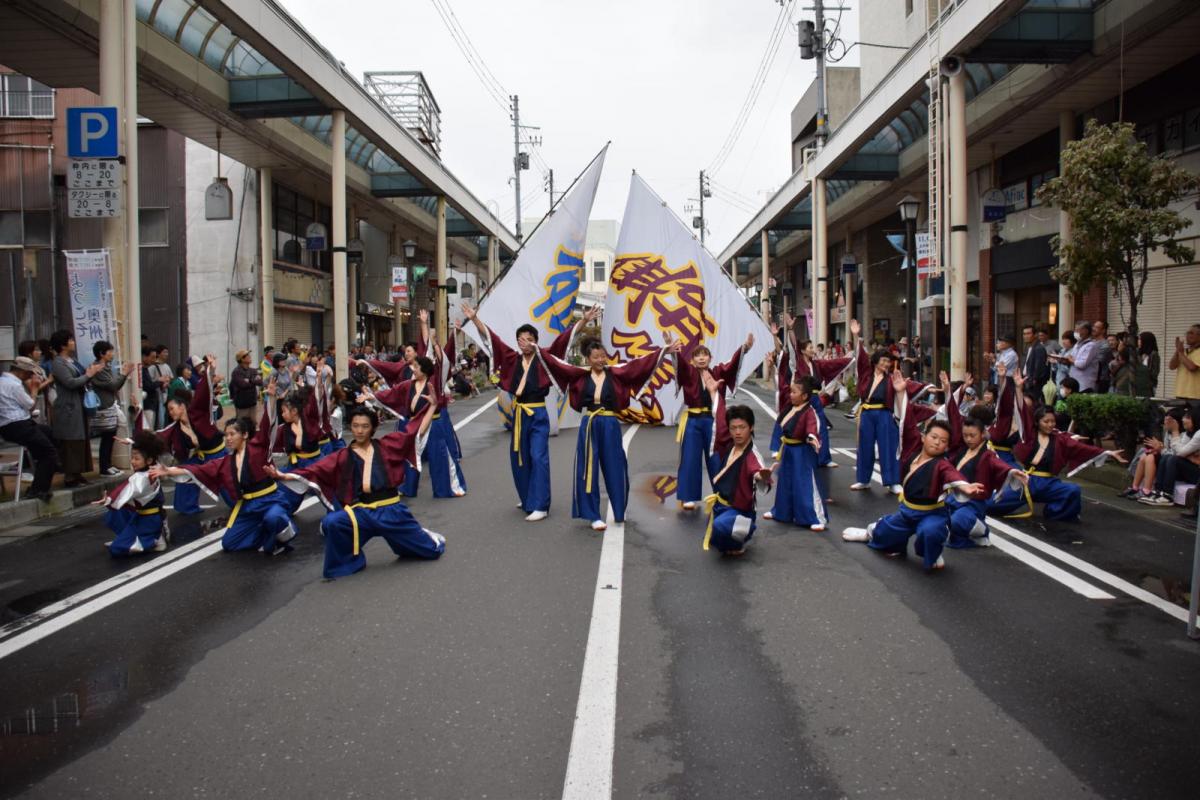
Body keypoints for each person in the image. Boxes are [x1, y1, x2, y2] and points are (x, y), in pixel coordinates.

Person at [270, 405, 445, 579]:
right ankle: (348, 562)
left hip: (391, 511)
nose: (359, 431)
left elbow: (414, 432)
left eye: (365, 426)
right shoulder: (343, 456)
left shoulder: (387, 445)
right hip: (362, 513)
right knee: (333, 522)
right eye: (355, 426)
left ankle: (424, 536)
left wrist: (432, 407)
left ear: (373, 428)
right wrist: (283, 476)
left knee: (430, 550)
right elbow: (315, 470)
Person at [461, 301, 587, 521]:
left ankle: (541, 505)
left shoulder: (545, 358)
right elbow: (493, 339)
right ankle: (528, 496)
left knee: (538, 457)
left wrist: (584, 320)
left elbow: (564, 339)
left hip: (537, 414)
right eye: (521, 339)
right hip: (519, 414)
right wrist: (474, 319)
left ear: (535, 341)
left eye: (529, 339)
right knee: (519, 458)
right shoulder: (512, 359)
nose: (525, 342)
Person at [544, 332, 675, 531]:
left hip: (610, 423)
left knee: (615, 466)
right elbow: (557, 365)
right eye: (596, 357)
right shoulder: (580, 374)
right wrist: (537, 350)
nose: (600, 360)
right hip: (590, 424)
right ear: (588, 359)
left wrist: (664, 350)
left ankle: (619, 511)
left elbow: (639, 364)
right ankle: (593, 515)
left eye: (603, 356)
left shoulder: (615, 372)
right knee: (588, 469)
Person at [842, 412, 985, 572]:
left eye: (943, 441)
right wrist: (902, 397)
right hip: (907, 511)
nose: (937, 442)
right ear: (924, 437)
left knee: (931, 532)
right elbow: (907, 423)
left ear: (946, 447)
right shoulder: (912, 454)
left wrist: (965, 486)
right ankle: (871, 532)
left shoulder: (942, 464)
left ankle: (933, 552)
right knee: (886, 533)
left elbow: (952, 475)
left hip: (933, 514)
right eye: (934, 437)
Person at [151, 413, 297, 554]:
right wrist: (168, 471)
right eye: (226, 435)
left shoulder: (259, 449)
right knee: (229, 543)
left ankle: (284, 532)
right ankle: (266, 534)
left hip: (270, 500)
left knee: (274, 518)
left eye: (232, 434)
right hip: (249, 507)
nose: (228, 439)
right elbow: (198, 470)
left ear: (245, 435)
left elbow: (268, 423)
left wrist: (271, 400)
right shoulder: (225, 462)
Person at [672, 330, 753, 511]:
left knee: (717, 457)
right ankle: (688, 497)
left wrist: (744, 349)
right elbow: (680, 365)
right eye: (697, 355)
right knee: (690, 458)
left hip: (713, 421)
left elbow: (731, 366)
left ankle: (721, 493)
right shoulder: (689, 372)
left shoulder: (717, 372)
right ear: (692, 360)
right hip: (692, 421)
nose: (701, 358)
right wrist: (674, 351)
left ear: (710, 358)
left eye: (704, 355)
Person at [1013, 401, 1126, 521]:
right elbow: (1022, 413)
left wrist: (1107, 452)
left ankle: (1053, 512)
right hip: (1026, 481)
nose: (1050, 424)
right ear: (1037, 422)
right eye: (1046, 421)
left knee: (1072, 490)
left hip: (1048, 483)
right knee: (998, 504)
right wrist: (1018, 392)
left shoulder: (1060, 439)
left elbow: (1082, 448)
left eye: (1053, 421)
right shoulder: (1029, 434)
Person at [851, 318, 921, 493]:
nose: (886, 364)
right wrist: (856, 336)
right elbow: (860, 358)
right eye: (883, 361)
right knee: (865, 447)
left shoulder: (891, 379)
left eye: (888, 361)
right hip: (866, 413)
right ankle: (863, 480)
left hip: (884, 415)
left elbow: (908, 386)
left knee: (888, 447)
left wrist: (930, 388)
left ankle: (892, 482)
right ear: (875, 361)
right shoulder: (866, 375)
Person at [156, 359, 225, 515]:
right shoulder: (175, 427)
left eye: (172, 408)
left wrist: (210, 372)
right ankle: (186, 506)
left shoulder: (197, 411)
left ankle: (239, 502)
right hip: (201, 456)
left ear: (182, 406)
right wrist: (131, 440)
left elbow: (202, 393)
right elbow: (157, 436)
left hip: (218, 454)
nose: (170, 412)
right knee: (185, 470)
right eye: (168, 410)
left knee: (226, 482)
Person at [703, 400, 772, 555]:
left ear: (751, 427)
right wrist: (714, 395)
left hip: (740, 510)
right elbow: (719, 423)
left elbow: (756, 471)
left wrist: (762, 476)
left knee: (720, 528)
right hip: (721, 506)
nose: (738, 432)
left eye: (742, 427)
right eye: (733, 428)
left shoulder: (752, 455)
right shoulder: (730, 446)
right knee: (715, 536)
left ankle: (745, 530)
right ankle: (730, 530)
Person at [763, 375, 827, 531]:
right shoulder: (790, 408)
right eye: (791, 392)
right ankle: (781, 512)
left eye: (794, 392)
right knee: (785, 482)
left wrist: (812, 437)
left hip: (802, 451)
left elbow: (812, 428)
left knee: (804, 483)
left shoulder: (809, 411)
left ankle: (815, 517)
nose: (790, 395)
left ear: (804, 396)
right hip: (788, 449)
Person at [95, 430, 168, 556]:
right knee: (116, 512)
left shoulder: (141, 479)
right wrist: (131, 441)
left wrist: (109, 499)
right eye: (132, 458)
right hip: (145, 514)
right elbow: (149, 445)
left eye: (136, 459)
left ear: (148, 460)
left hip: (149, 521)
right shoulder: (154, 466)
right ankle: (128, 537)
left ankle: (155, 539)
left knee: (117, 549)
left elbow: (124, 490)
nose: (133, 461)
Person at [0, 357, 59, 501]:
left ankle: (44, 467)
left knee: (50, 433)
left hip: (9, 425)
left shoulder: (3, 381)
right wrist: (34, 389)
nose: (30, 376)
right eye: (29, 373)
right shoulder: (14, 385)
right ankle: (38, 490)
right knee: (49, 453)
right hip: (19, 425)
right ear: (22, 371)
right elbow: (30, 405)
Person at [49, 329, 102, 486]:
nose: (73, 343)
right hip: (68, 406)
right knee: (71, 439)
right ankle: (70, 476)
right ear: (63, 345)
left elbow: (82, 377)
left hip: (79, 405)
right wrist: (89, 375)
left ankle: (78, 473)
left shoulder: (72, 360)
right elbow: (70, 383)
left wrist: (90, 373)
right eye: (70, 340)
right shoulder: (58, 363)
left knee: (81, 438)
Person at [1123, 407, 1190, 501]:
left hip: (1175, 465)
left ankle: (1147, 491)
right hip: (1167, 460)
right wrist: (1158, 449)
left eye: (1168, 420)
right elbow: (1167, 450)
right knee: (1145, 455)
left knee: (1150, 458)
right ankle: (1135, 487)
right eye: (1165, 419)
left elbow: (1176, 453)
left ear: (1176, 422)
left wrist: (1161, 449)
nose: (1164, 422)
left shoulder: (1183, 435)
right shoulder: (1168, 433)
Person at [90, 340, 136, 476]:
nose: (112, 354)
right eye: (110, 351)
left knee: (110, 436)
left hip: (109, 405)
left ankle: (108, 465)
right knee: (107, 436)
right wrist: (124, 373)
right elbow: (113, 385)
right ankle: (104, 467)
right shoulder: (98, 369)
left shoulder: (105, 367)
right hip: (103, 407)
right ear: (101, 353)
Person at [1140, 409, 1200, 506]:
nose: (1183, 419)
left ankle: (1167, 496)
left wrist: (1175, 432)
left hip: (1197, 475)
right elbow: (1180, 452)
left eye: (1188, 417)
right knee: (1167, 457)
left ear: (1196, 419)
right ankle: (1158, 492)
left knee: (1173, 459)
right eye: (1184, 417)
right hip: (1191, 468)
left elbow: (1180, 452)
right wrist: (1189, 456)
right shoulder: (1187, 433)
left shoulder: (1198, 434)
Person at [1169, 323, 1200, 418]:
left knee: (1194, 422)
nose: (1188, 335)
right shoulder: (1184, 351)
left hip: (1196, 396)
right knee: (1179, 421)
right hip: (1180, 394)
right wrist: (1178, 351)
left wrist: (1181, 353)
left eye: (1191, 333)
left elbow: (1192, 367)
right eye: (1187, 333)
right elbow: (1172, 366)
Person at [1059, 322, 1098, 393]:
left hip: (1084, 383)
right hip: (1073, 381)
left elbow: (1082, 364)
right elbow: (1071, 358)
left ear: (1086, 331)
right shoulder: (1077, 344)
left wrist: (1071, 360)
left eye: (1077, 330)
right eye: (1075, 330)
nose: (1075, 332)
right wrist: (1065, 361)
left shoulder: (1091, 345)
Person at [230, 348, 263, 421]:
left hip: (252, 403)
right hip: (242, 404)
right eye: (247, 356)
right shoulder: (236, 372)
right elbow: (243, 385)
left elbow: (260, 382)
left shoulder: (253, 370)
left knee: (253, 424)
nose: (250, 357)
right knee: (242, 425)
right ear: (242, 359)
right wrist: (254, 381)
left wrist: (249, 380)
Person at [1021, 324, 1049, 400]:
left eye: (1028, 333)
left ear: (1035, 335)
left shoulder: (1039, 348)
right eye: (1024, 334)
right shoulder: (1028, 347)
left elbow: (1039, 368)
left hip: (1033, 384)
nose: (1025, 336)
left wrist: (1033, 381)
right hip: (1026, 381)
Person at [1137, 331, 1160, 398]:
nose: (1138, 341)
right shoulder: (1139, 353)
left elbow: (1155, 372)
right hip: (1138, 384)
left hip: (1149, 385)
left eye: (1140, 339)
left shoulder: (1153, 354)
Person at [1093, 320, 1113, 394]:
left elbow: (1098, 362)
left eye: (1097, 327)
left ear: (1103, 330)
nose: (1093, 329)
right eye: (1093, 326)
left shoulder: (1105, 345)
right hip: (1091, 378)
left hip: (1100, 380)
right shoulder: (1091, 342)